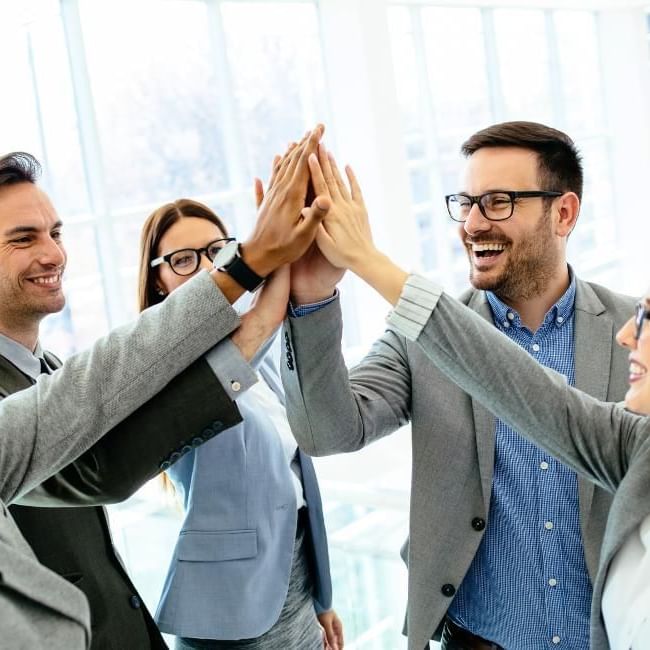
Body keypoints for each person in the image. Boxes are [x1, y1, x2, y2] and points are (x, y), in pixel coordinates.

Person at [277, 124, 635, 650]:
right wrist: (311, 297)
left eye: (496, 202)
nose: (471, 224)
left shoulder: (634, 335)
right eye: (465, 203)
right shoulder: (421, 341)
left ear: (564, 213)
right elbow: (326, 431)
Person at [0, 125, 331, 649]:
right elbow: (100, 464)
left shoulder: (49, 368)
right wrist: (251, 266)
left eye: (56, 234)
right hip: (228, 617)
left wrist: (276, 279)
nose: (53, 254)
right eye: (23, 238)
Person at [137, 198, 343, 650]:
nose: (207, 269)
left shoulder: (262, 361)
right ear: (158, 278)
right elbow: (264, 322)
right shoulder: (158, 368)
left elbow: (296, 485)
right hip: (231, 614)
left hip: (295, 587)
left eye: (218, 252)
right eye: (184, 260)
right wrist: (279, 250)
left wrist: (320, 598)